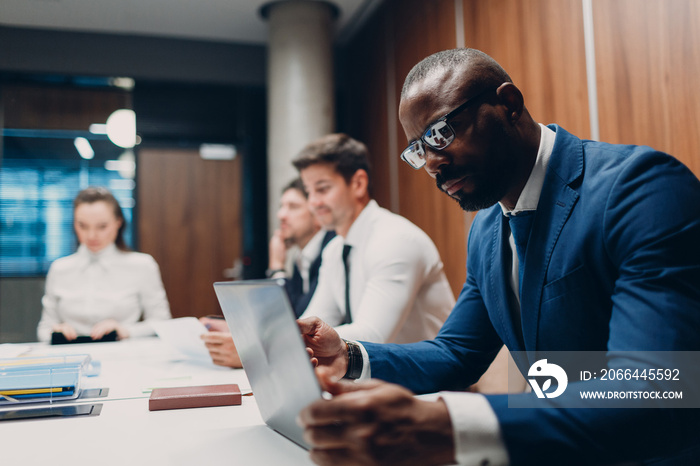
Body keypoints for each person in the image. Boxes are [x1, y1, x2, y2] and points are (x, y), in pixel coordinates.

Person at [297, 48, 700, 465]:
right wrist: (348, 354)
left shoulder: (640, 189)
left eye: (442, 132)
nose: (433, 162)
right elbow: (457, 354)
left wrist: (446, 425)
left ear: (508, 103)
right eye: (419, 148)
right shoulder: (487, 230)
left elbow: (654, 389)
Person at [294, 133, 455, 344]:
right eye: (308, 191)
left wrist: (286, 342)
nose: (313, 202)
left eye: (322, 189)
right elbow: (313, 322)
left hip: (429, 375)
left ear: (358, 183)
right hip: (377, 374)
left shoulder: (395, 240)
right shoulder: (334, 249)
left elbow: (372, 338)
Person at [200, 178, 335, 367]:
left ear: (318, 214)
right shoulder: (301, 259)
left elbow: (297, 320)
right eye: (282, 206)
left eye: (293, 207)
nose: (281, 215)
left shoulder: (330, 252)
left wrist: (277, 267)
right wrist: (238, 328)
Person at [37, 186, 171, 342]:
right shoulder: (59, 268)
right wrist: (55, 331)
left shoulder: (142, 265)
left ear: (118, 223)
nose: (92, 235)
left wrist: (125, 330)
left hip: (124, 355)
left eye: (102, 227)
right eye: (83, 226)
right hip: (70, 356)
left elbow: (162, 323)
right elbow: (44, 329)